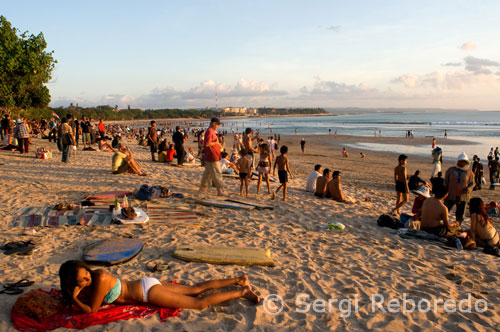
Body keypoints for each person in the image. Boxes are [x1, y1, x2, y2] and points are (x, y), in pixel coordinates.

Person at [59, 260, 260, 314]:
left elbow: (91, 310)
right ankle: (238, 279)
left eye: (85, 274)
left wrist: (75, 297)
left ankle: (241, 291)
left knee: (199, 303)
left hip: (148, 292)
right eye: (81, 280)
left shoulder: (100, 278)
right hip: (146, 284)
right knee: (195, 288)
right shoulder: (94, 281)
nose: (86, 280)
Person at [444, 153, 474, 224]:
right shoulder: (450, 170)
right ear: (457, 161)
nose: (462, 163)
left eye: (464, 162)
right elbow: (445, 182)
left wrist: (468, 189)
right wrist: (444, 192)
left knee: (460, 214)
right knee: (445, 209)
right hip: (450, 195)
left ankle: (458, 224)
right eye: (460, 161)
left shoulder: (469, 172)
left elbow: (472, 183)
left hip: (463, 196)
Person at [199, 118, 226, 196]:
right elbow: (207, 143)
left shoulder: (210, 131)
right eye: (218, 125)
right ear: (214, 124)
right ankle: (220, 191)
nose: (218, 127)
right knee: (217, 173)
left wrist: (217, 144)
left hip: (211, 155)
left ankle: (202, 189)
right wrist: (216, 143)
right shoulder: (210, 131)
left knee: (208, 173)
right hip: (212, 156)